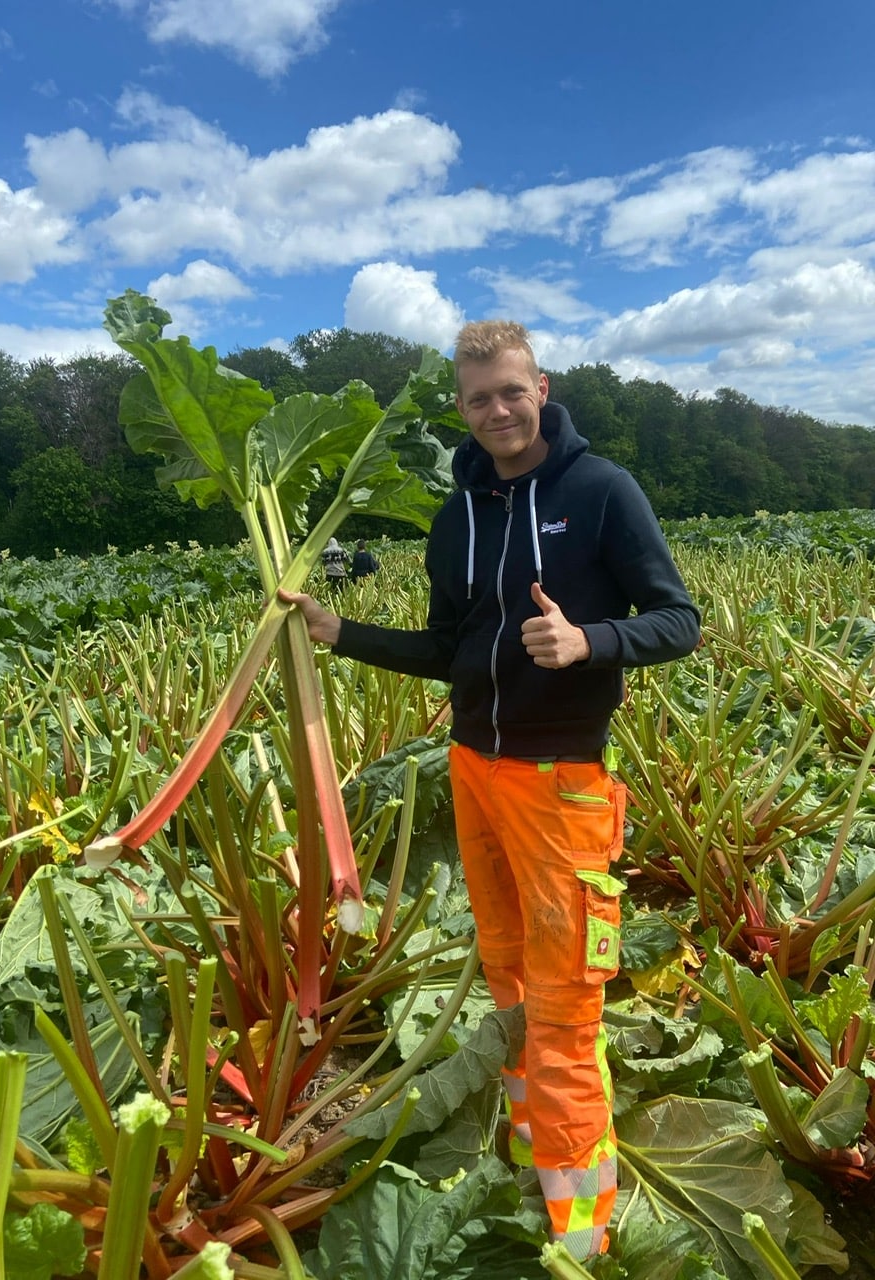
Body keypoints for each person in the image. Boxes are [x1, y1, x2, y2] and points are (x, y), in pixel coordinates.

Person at [281, 320, 700, 1260]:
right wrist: (341, 632)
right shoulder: (456, 518)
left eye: (513, 391)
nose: (499, 410)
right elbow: (449, 649)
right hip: (474, 770)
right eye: (480, 399)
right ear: (462, 410)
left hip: (563, 784)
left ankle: (583, 1237)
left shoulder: (602, 491)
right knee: (506, 976)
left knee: (565, 1007)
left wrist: (592, 640)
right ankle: (526, 1155)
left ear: (541, 388)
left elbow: (680, 620)